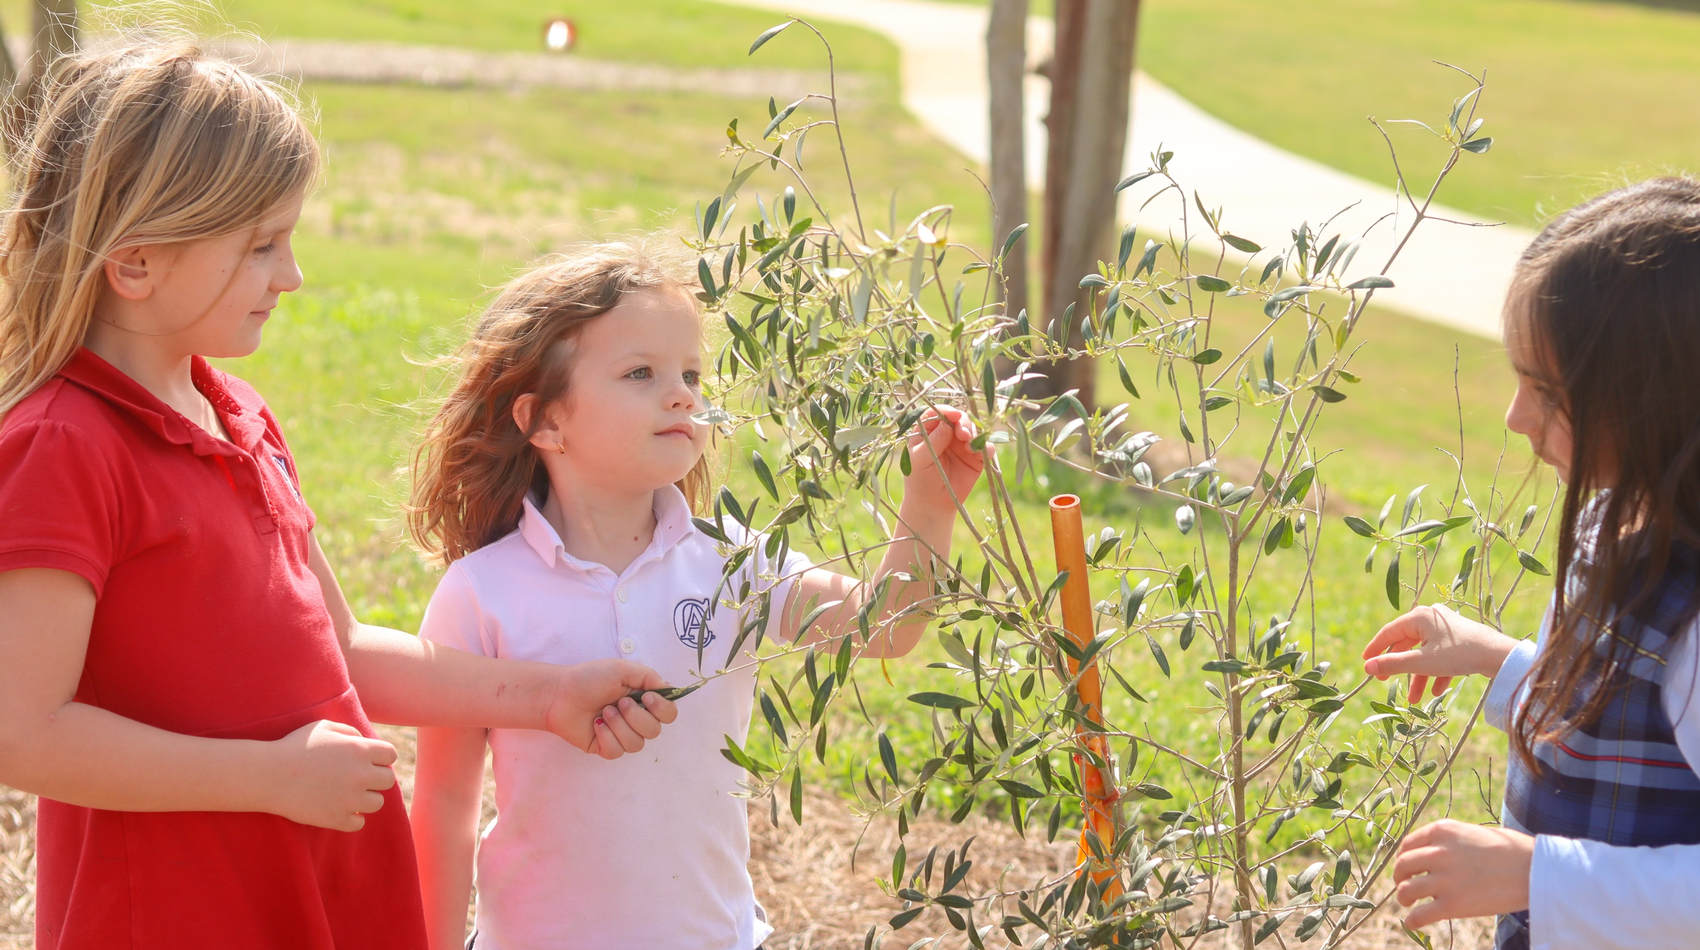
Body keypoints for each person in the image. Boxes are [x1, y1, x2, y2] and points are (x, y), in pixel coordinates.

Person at [0, 40, 675, 950]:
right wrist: (268, 779)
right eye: (261, 246)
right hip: (179, 911)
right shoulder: (62, 445)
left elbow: (343, 651)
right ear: (136, 263)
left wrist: (547, 696)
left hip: (305, 887)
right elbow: (25, 732)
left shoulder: (235, 415)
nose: (292, 275)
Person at [406, 243, 986, 950]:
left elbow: (881, 626)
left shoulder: (730, 561)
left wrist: (930, 504)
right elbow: (442, 803)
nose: (683, 394)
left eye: (691, 374)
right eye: (641, 373)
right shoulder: (481, 593)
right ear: (545, 422)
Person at [1360, 178, 1700, 950]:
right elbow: (1615, 732)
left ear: (1660, 398)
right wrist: (1502, 662)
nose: (1516, 420)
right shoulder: (1616, 523)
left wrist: (1536, 875)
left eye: (1548, 393)